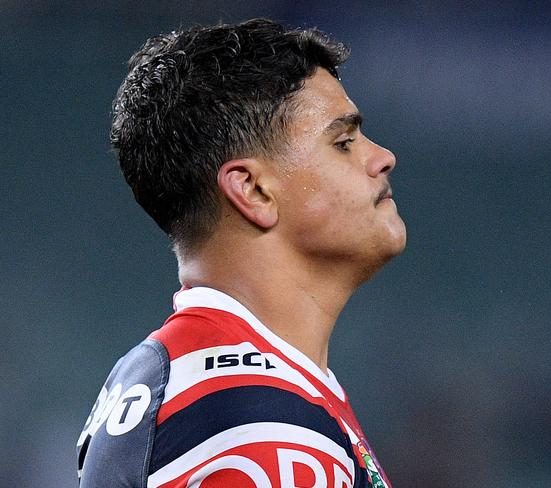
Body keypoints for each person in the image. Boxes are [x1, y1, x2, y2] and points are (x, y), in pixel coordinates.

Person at [76, 18, 406, 488]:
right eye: (344, 143)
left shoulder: (165, 374)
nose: (383, 157)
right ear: (252, 190)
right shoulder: (265, 427)